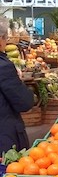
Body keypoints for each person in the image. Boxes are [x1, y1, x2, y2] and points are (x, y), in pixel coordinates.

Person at [0, 17, 34, 157]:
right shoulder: (3, 67)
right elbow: (24, 102)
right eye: (6, 38)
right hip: (4, 138)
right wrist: (20, 83)